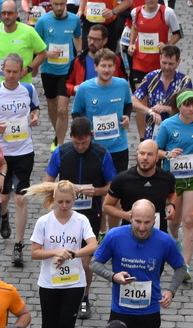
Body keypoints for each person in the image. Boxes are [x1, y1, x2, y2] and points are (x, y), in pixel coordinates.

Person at [90, 199, 183, 328]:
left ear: (154, 220)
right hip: (120, 311)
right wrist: (113, 276)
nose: (142, 227)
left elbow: (181, 268)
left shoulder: (164, 240)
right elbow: (94, 263)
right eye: (138, 221)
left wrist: (171, 291)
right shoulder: (115, 236)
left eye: (147, 222)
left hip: (149, 313)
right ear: (130, 217)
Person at [29, 180, 98, 328]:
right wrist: (56, 252)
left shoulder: (81, 220)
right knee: (49, 325)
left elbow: (93, 245)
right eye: (60, 202)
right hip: (49, 282)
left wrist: (72, 254)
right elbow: (34, 252)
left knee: (67, 325)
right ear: (54, 199)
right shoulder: (44, 222)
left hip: (74, 282)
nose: (64, 205)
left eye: (68, 201)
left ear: (74, 199)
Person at [0, 57, 41, 239]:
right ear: (2, 71)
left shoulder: (29, 89)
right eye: (8, 71)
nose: (12, 75)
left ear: (21, 72)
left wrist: (35, 117)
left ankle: (19, 242)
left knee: (20, 197)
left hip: (24, 150)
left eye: (15, 72)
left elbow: (36, 108)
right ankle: (4, 216)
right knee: (3, 194)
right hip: (1, 152)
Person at [47, 117, 118, 260]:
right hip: (64, 212)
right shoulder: (60, 152)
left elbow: (113, 187)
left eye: (84, 142)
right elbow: (47, 183)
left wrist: (96, 191)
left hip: (91, 212)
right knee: (63, 255)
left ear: (91, 135)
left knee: (86, 260)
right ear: (71, 136)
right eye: (76, 143)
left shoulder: (102, 154)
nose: (80, 147)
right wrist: (66, 188)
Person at [154, 91, 193, 266]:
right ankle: (175, 238)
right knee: (175, 220)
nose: (191, 109)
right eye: (187, 105)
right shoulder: (168, 125)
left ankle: (184, 264)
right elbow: (156, 150)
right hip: (173, 178)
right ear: (179, 106)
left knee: (189, 220)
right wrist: (168, 154)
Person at [33, 0, 83, 145]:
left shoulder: (74, 20)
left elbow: (77, 36)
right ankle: (58, 133)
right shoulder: (43, 22)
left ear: (66, 3)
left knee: (62, 109)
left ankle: (60, 144)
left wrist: (79, 53)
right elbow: (34, 46)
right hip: (48, 70)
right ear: (50, 3)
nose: (59, 8)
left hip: (66, 71)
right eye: (56, 4)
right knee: (52, 106)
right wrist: (46, 55)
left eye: (62, 4)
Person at [70, 52, 135, 173]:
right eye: (103, 66)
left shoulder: (122, 85)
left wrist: (127, 116)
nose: (106, 70)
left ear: (114, 67)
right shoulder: (84, 88)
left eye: (110, 66)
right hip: (94, 148)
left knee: (118, 183)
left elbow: (128, 103)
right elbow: (76, 113)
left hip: (118, 147)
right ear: (95, 67)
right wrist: (86, 131)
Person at [102, 139, 175, 236]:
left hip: (158, 233)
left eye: (150, 154)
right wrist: (125, 215)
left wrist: (171, 204)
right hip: (129, 234)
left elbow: (172, 193)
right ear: (137, 155)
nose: (145, 158)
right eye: (142, 153)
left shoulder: (167, 178)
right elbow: (106, 206)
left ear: (157, 158)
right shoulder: (122, 179)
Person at [0, 0, 46, 98]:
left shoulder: (28, 32)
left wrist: (27, 69)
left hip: (22, 86)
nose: (6, 16)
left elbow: (43, 53)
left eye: (10, 13)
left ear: (17, 14)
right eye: (3, 13)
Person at [122, 0, 179, 90]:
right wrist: (131, 44)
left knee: (156, 95)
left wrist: (167, 45)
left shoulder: (167, 12)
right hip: (139, 63)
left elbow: (178, 34)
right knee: (141, 95)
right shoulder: (136, 12)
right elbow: (135, 27)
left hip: (159, 63)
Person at [132, 43, 192, 145]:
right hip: (153, 131)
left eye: (171, 64)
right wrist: (150, 111)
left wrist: (167, 108)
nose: (167, 67)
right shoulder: (151, 77)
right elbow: (134, 101)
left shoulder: (184, 82)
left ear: (178, 62)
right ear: (160, 59)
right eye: (164, 63)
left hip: (176, 131)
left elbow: (189, 109)